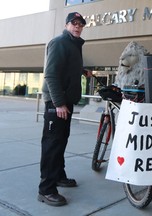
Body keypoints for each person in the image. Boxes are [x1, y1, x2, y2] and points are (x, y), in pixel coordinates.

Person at [38, 12, 92, 207]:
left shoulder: (73, 45)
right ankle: (46, 190)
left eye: (81, 24)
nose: (77, 27)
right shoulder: (60, 42)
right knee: (52, 146)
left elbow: (66, 67)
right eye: (74, 23)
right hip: (56, 103)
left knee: (60, 142)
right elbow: (51, 75)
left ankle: (59, 176)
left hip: (65, 102)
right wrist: (59, 103)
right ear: (67, 25)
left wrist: (82, 71)